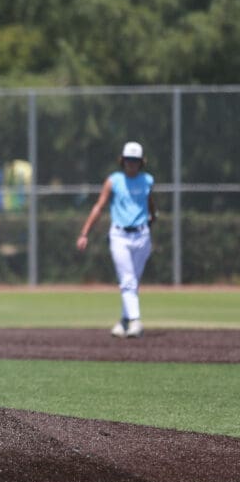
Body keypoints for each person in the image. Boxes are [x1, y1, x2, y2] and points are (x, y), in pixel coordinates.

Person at [76, 141, 156, 338]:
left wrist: (153, 216)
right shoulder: (114, 181)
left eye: (135, 160)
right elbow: (99, 206)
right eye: (128, 160)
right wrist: (85, 233)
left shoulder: (147, 180)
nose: (131, 164)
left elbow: (149, 202)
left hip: (142, 236)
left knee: (132, 282)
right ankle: (136, 322)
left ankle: (124, 321)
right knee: (128, 280)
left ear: (141, 162)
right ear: (122, 160)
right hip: (119, 235)